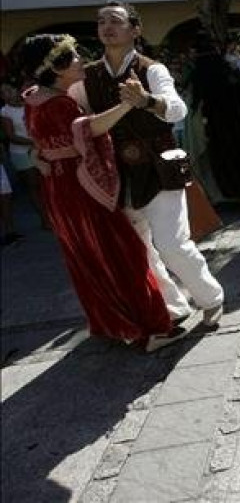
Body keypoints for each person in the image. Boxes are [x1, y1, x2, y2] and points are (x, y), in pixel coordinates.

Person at [21, 34, 180, 351]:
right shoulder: (57, 102)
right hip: (81, 190)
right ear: (57, 67)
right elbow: (88, 128)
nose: (81, 59)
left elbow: (44, 144)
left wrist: (39, 157)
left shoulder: (34, 98)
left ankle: (117, 324)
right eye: (73, 56)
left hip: (59, 188)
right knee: (123, 254)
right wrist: (128, 104)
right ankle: (149, 330)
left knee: (90, 260)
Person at [69, 1, 224, 327]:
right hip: (116, 174)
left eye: (115, 20)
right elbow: (73, 114)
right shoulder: (89, 76)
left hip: (159, 167)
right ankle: (173, 307)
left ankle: (211, 297)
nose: (106, 27)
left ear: (135, 29)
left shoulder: (151, 69)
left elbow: (178, 110)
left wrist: (146, 101)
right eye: (101, 21)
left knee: (172, 245)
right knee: (140, 250)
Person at [190, 34, 240, 203]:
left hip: (218, 127)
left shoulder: (200, 73)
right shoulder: (230, 70)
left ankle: (234, 193)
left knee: (226, 159)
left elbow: (196, 102)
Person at [2, 81, 48, 231]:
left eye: (9, 90)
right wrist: (34, 142)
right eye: (3, 93)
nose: (7, 95)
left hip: (40, 148)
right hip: (21, 153)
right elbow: (11, 136)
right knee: (33, 186)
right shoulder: (5, 111)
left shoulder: (30, 104)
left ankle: (52, 216)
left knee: (44, 185)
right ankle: (44, 219)